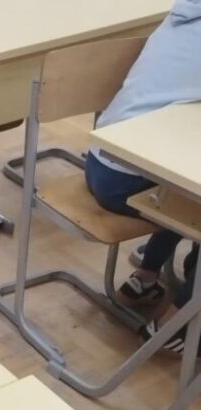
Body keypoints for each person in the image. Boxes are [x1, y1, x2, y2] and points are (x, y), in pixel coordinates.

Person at [85, 0, 201, 354]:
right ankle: (179, 322)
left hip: (104, 159)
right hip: (131, 175)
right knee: (190, 189)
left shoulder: (185, 14)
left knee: (186, 178)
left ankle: (147, 276)